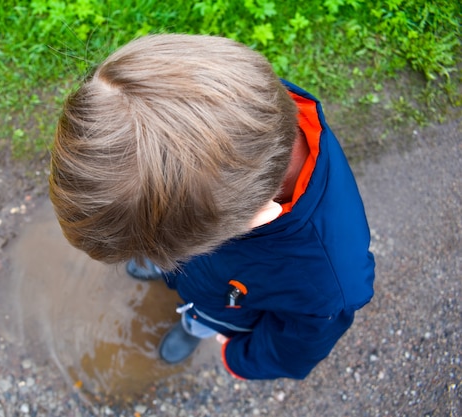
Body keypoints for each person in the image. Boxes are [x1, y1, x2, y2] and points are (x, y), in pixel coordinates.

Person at [48, 34, 375, 380]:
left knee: (200, 316)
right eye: (157, 250)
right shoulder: (240, 106)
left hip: (224, 305)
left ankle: (193, 326)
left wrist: (239, 356)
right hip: (211, 259)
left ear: (255, 218)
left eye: (158, 250)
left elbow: (293, 348)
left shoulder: (327, 285)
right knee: (170, 247)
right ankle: (166, 268)